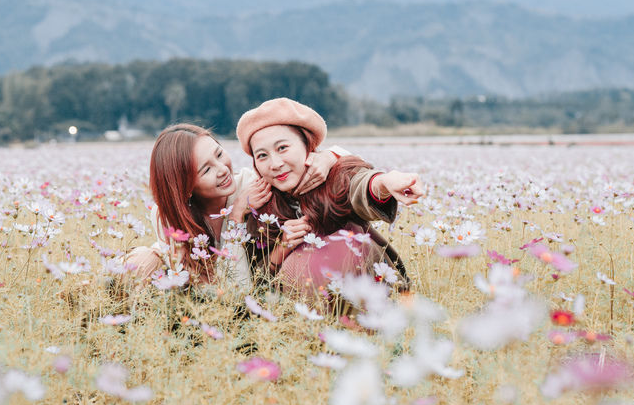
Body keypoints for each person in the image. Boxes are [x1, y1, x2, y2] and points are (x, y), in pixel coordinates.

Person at [235, 98, 420, 303]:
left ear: (308, 145)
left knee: (338, 247)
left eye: (282, 148)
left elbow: (358, 184)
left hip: (369, 291)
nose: (276, 164)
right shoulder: (260, 205)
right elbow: (258, 277)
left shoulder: (334, 174)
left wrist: (384, 183)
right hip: (302, 308)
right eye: (262, 155)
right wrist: (282, 249)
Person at [125, 123, 346, 289]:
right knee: (141, 262)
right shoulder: (167, 215)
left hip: (256, 289)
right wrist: (237, 214)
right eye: (206, 170)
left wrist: (328, 157)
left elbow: (240, 291)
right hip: (202, 299)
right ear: (185, 187)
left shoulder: (254, 185)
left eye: (219, 154)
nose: (222, 169)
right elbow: (222, 291)